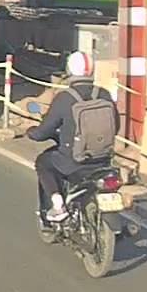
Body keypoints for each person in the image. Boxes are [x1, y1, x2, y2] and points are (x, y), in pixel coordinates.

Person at [27, 51, 117, 222]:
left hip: (73, 162)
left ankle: (57, 204)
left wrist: (32, 132)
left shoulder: (65, 98)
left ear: (69, 70)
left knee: (43, 162)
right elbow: (116, 126)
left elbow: (43, 131)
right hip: (103, 159)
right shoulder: (104, 94)